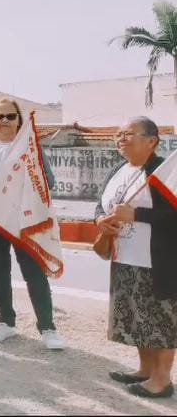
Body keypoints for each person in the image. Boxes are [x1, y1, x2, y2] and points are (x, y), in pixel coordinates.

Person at [0, 98, 65, 350]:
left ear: (19, 120)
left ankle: (48, 327)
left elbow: (47, 182)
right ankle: (6, 322)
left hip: (23, 220)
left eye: (10, 116)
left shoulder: (30, 148)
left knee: (33, 272)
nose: (4, 121)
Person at [96, 116, 177, 399]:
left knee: (160, 321)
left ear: (151, 141)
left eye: (128, 134)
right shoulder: (119, 169)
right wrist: (100, 221)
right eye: (118, 134)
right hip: (125, 258)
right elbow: (102, 203)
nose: (120, 139)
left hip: (158, 261)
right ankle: (144, 370)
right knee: (137, 319)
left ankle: (161, 380)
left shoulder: (165, 172)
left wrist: (138, 215)